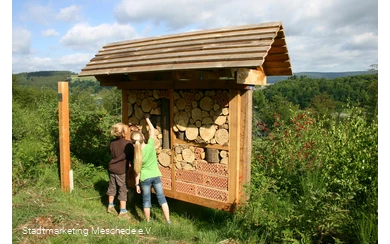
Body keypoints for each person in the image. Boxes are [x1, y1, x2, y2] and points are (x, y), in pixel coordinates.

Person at [130, 114, 171, 225]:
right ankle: (168, 221)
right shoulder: (150, 145)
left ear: (133, 143)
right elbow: (152, 130)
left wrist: (137, 184)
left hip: (145, 179)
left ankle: (147, 222)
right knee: (162, 199)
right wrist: (147, 119)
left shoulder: (137, 156)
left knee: (146, 201)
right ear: (143, 138)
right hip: (156, 176)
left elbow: (137, 172)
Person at [106, 122, 133, 220]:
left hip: (112, 168)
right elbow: (131, 157)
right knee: (122, 189)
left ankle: (110, 206)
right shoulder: (128, 144)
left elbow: (111, 152)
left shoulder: (112, 142)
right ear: (123, 133)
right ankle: (122, 211)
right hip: (121, 170)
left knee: (112, 186)